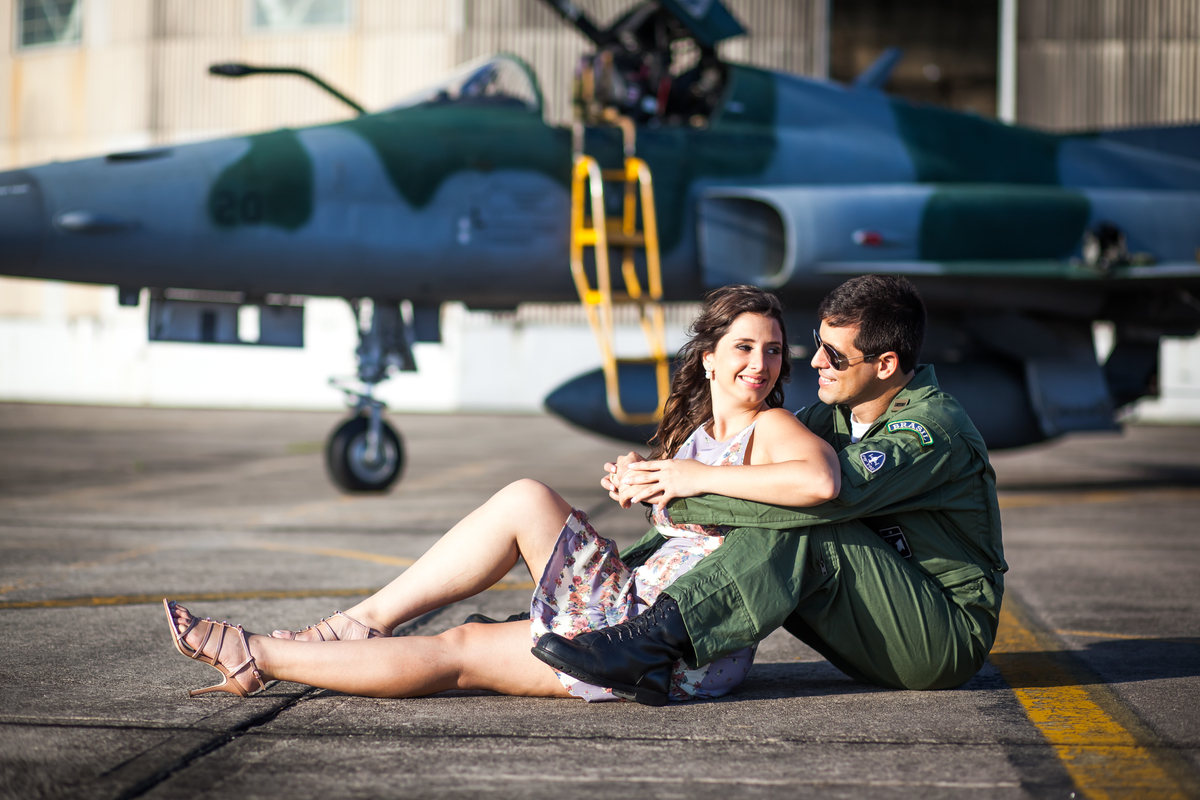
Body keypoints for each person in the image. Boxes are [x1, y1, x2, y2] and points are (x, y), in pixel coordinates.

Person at [164, 285, 841, 705]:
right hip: (636, 610)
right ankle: (324, 635)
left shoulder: (771, 426)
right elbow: (701, 508)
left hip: (676, 640)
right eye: (744, 347)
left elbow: (819, 481)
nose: (760, 364)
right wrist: (644, 479)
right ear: (710, 358)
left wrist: (690, 480)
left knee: (467, 637)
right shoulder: (696, 434)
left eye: (772, 350)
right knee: (514, 523)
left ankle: (280, 647)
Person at [534, 275, 1006, 703]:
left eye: (835, 355)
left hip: (941, 635)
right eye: (819, 344)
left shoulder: (930, 430)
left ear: (885, 364)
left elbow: (828, 493)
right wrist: (650, 474)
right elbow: (747, 463)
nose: (816, 361)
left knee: (804, 519)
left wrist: (683, 491)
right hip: (872, 620)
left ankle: (652, 642)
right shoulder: (832, 417)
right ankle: (628, 626)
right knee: (776, 494)